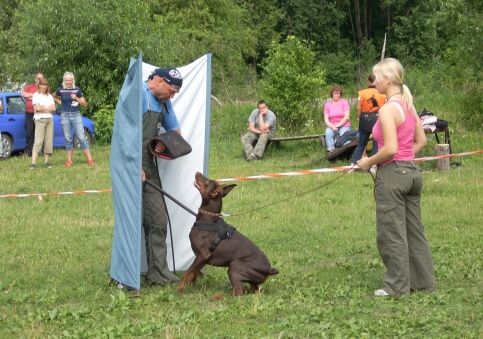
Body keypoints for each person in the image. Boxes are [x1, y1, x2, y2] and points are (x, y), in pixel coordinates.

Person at [357, 58, 436, 297]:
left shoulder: (388, 109)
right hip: (412, 173)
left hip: (393, 175)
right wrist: (405, 157)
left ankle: (397, 287)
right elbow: (420, 141)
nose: (374, 82)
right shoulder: (408, 105)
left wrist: (367, 162)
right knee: (414, 231)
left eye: (377, 78)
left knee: (391, 232)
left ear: (388, 79)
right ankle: (423, 282)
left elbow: (390, 148)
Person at [141, 67, 184, 285]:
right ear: (158, 80)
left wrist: (164, 144)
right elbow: (125, 132)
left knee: (157, 219)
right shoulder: (137, 95)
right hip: (130, 164)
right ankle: (125, 275)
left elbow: (175, 133)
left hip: (148, 166)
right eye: (171, 90)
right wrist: (132, 165)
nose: (172, 96)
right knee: (129, 222)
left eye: (175, 93)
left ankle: (158, 273)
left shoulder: (164, 103)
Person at [53, 72, 94, 166]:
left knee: (82, 137)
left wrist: (76, 98)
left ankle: (90, 159)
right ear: (64, 81)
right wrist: (60, 102)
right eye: (66, 80)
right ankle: (69, 161)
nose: (68, 82)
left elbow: (84, 104)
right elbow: (53, 96)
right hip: (64, 116)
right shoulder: (61, 90)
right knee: (68, 139)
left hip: (76, 115)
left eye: (70, 80)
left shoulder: (77, 90)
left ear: (72, 81)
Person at [350, 74, 386, 167]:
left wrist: (359, 117)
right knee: (376, 143)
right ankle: (374, 165)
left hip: (365, 118)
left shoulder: (362, 93)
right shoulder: (383, 93)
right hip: (378, 117)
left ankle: (353, 164)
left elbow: (358, 108)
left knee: (361, 143)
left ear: (368, 81)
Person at [30, 78, 55, 169]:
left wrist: (43, 108)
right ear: (39, 85)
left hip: (49, 120)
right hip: (39, 119)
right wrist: (47, 109)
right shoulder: (36, 95)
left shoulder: (50, 96)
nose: (44, 87)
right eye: (42, 85)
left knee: (48, 141)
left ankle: (46, 162)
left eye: (45, 85)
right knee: (38, 141)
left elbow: (54, 108)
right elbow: (38, 108)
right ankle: (33, 163)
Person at [21, 73, 44, 156]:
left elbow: (43, 97)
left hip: (40, 114)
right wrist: (35, 95)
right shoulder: (29, 87)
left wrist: (30, 97)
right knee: (29, 134)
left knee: (40, 134)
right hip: (29, 114)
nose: (39, 80)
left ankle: (41, 152)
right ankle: (28, 152)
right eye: (38, 78)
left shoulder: (44, 88)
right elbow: (23, 94)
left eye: (41, 78)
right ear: (35, 79)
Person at [323, 86, 350, 153]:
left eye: (338, 93)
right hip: (332, 125)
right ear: (332, 94)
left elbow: (346, 117)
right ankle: (332, 152)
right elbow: (326, 119)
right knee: (328, 133)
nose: (337, 95)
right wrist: (332, 126)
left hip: (344, 125)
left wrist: (337, 125)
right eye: (335, 93)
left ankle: (346, 153)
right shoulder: (327, 105)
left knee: (344, 135)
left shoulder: (344, 103)